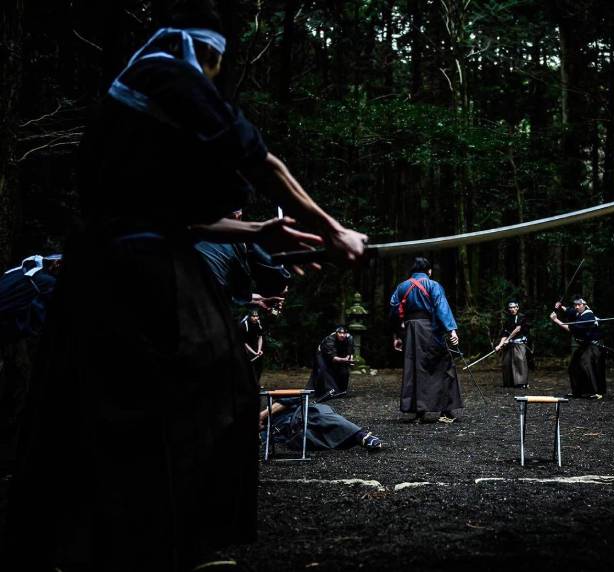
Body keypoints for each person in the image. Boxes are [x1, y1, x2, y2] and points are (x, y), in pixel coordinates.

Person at [6, 4, 366, 570]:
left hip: (133, 262)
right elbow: (260, 160)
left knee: (210, 391)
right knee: (166, 396)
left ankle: (174, 541)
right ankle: (131, 545)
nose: (216, 74)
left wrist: (258, 232)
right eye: (216, 63)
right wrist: (333, 230)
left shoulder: (147, 111)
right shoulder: (165, 74)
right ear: (204, 51)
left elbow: (184, 217)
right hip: (129, 275)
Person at [0, 254, 62, 475]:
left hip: (11, 332)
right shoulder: (44, 283)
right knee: (18, 387)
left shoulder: (24, 267)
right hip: (11, 334)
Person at [389, 257, 463, 424]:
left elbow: (394, 311)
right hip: (430, 330)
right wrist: (451, 330)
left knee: (414, 368)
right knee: (444, 366)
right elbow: (441, 306)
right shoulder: (433, 285)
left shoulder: (402, 287)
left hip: (409, 331)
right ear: (429, 271)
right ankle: (446, 411)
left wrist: (397, 335)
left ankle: (419, 412)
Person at [259, 396, 382, 453]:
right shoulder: (265, 433)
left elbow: (293, 398)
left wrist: (262, 415)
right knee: (314, 440)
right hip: (295, 432)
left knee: (322, 418)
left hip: (306, 411)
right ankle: (357, 439)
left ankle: (361, 436)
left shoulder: (271, 410)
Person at [550, 297, 606, 399]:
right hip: (585, 345)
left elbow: (570, 329)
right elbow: (569, 311)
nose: (576, 307)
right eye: (575, 305)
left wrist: (556, 320)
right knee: (573, 366)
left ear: (584, 305)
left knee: (586, 364)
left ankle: (596, 392)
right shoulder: (579, 312)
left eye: (579, 305)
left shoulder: (588, 316)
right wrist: (560, 306)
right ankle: (577, 391)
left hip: (594, 346)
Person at [306, 325, 355, 398]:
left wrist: (349, 359)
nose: (342, 335)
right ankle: (330, 391)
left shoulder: (350, 338)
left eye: (344, 333)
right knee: (324, 370)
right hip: (323, 353)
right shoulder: (330, 339)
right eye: (340, 333)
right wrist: (344, 360)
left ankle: (342, 390)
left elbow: (350, 352)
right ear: (336, 333)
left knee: (344, 371)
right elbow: (333, 358)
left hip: (337, 353)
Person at [495, 299, 529, 388]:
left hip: (519, 343)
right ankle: (509, 383)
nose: (512, 309)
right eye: (510, 307)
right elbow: (505, 333)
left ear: (517, 307)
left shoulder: (521, 316)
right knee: (506, 362)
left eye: (514, 307)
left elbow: (517, 329)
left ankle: (521, 383)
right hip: (509, 344)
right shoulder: (508, 319)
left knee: (519, 361)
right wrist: (500, 345)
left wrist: (508, 339)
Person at [241, 309, 265, 380]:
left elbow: (260, 337)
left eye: (257, 316)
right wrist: (253, 353)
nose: (256, 318)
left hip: (254, 342)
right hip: (243, 343)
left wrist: (259, 350)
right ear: (249, 316)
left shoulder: (258, 323)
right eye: (253, 316)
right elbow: (244, 342)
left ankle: (257, 382)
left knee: (259, 365)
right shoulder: (244, 325)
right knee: (248, 366)